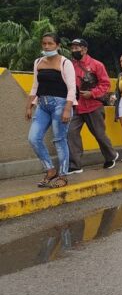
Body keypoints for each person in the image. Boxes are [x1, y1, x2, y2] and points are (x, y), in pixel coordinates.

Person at [26, 33, 76, 188]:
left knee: (59, 140)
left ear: (58, 45)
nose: (46, 46)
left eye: (50, 44)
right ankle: (50, 169)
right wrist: (29, 105)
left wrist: (67, 109)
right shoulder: (38, 62)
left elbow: (71, 87)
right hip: (42, 104)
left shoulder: (65, 62)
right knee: (33, 138)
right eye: (44, 43)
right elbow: (35, 85)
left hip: (60, 105)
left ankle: (63, 175)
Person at [67, 38, 119, 173]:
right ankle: (75, 164)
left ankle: (111, 156)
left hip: (93, 105)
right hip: (76, 106)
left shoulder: (97, 65)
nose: (74, 50)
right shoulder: (69, 65)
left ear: (84, 49)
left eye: (76, 48)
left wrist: (92, 93)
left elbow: (105, 84)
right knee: (71, 133)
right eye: (72, 48)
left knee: (99, 134)